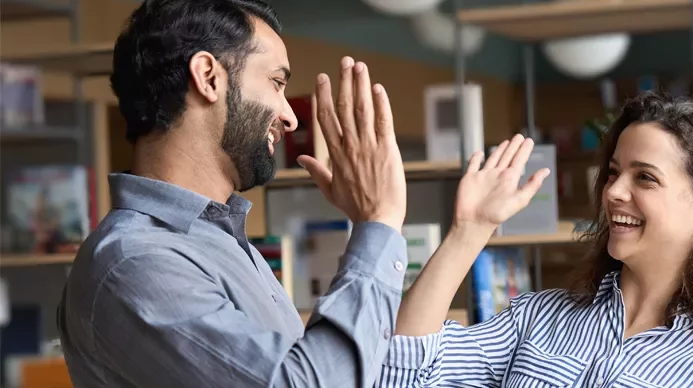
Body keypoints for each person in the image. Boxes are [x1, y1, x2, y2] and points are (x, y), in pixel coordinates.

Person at [54, 0, 546, 387]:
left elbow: (367, 373)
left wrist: (467, 230)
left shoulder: (220, 242)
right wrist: (378, 224)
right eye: (276, 82)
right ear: (208, 78)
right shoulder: (135, 263)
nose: (290, 116)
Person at [379, 91, 693, 388]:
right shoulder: (538, 319)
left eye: (645, 178)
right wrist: (467, 232)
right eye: (614, 172)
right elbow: (400, 372)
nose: (614, 191)